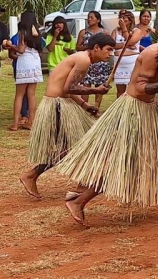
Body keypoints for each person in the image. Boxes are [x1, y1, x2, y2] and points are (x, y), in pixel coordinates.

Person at [56, 17, 158, 225]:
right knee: (124, 160)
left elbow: (157, 83)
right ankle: (79, 201)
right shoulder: (153, 53)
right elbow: (141, 87)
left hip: (151, 108)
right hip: (134, 110)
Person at [19, 34, 115, 199]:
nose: (110, 54)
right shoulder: (83, 60)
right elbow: (69, 88)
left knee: (75, 145)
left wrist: (85, 105)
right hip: (57, 106)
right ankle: (33, 175)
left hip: (60, 103)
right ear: (96, 48)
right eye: (108, 49)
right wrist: (96, 90)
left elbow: (66, 87)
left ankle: (78, 182)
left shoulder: (82, 58)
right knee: (75, 146)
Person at [5, 11, 43, 131]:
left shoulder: (23, 32)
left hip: (25, 63)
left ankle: (15, 124)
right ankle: (30, 122)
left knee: (19, 95)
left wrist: (11, 46)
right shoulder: (38, 33)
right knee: (31, 94)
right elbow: (40, 51)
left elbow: (21, 50)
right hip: (35, 63)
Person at [77, 11, 110, 111]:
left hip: (101, 64)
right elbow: (77, 47)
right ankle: (84, 109)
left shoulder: (104, 32)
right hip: (87, 62)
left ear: (98, 20)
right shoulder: (83, 32)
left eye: (91, 17)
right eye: (88, 17)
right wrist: (89, 47)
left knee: (99, 86)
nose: (89, 19)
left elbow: (108, 46)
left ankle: (96, 108)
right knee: (85, 85)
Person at [112, 10, 144, 98]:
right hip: (119, 64)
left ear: (130, 20)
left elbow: (130, 42)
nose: (121, 20)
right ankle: (121, 105)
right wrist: (124, 45)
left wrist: (124, 29)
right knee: (120, 90)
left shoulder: (137, 31)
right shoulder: (115, 31)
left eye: (124, 18)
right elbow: (111, 44)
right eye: (120, 18)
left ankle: (131, 105)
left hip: (132, 64)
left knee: (132, 88)